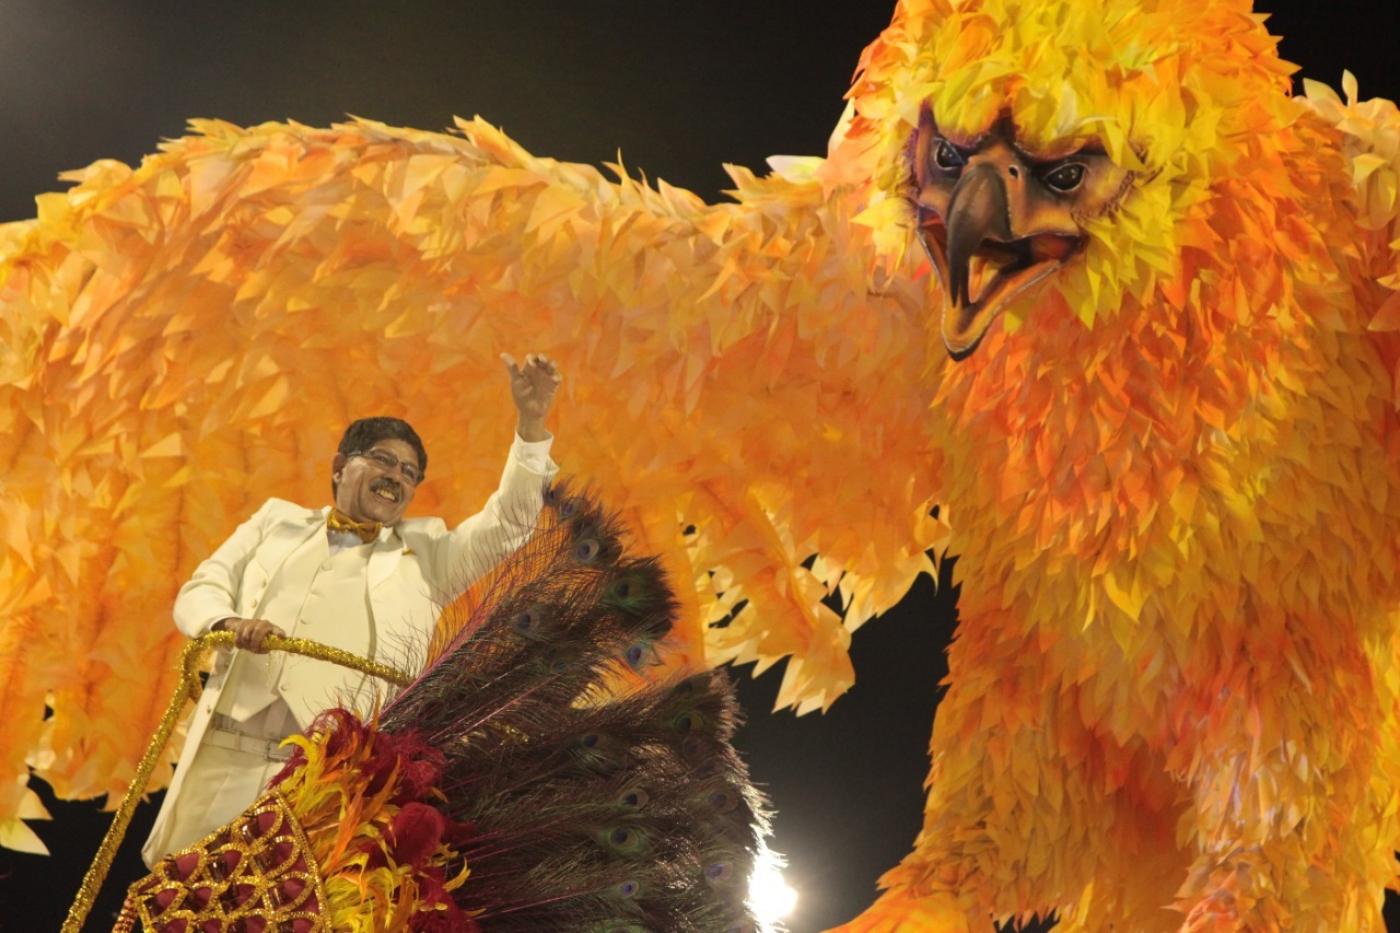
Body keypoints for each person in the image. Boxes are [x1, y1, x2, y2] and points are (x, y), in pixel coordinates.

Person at [141, 352, 562, 866]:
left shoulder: (430, 557)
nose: (397, 477)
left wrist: (531, 423)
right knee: (189, 904)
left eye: (409, 473)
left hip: (321, 782)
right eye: (384, 460)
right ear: (341, 467)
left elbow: (510, 522)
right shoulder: (276, 521)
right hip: (223, 758)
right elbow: (201, 588)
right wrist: (228, 623)